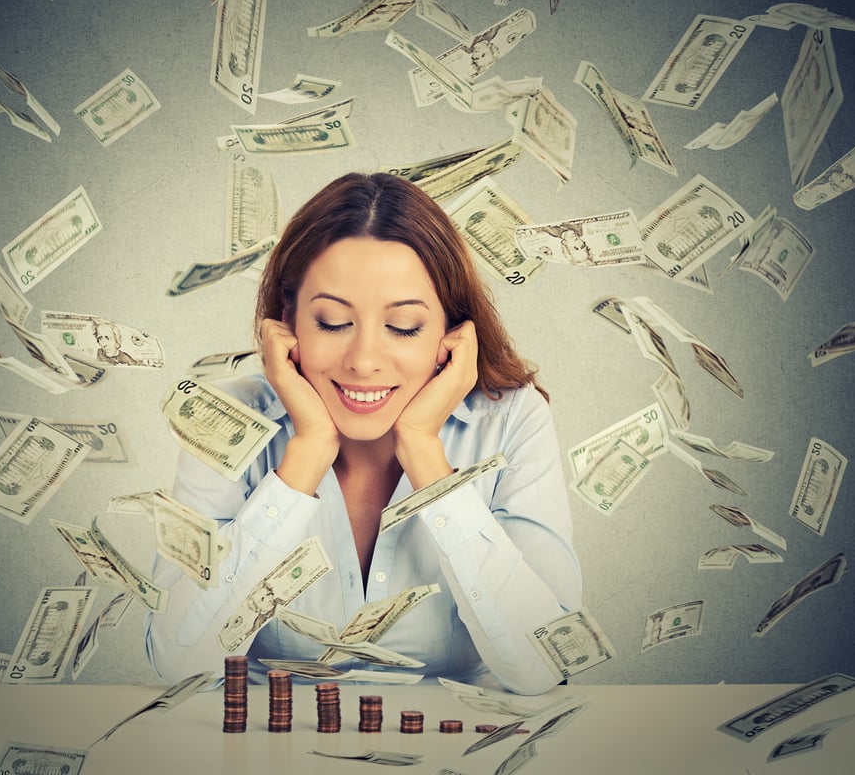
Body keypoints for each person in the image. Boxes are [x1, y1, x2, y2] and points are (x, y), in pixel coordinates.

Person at [146, 172, 582, 694]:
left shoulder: (511, 419)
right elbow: (181, 664)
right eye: (331, 322)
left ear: (451, 333)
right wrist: (304, 455)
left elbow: (544, 666)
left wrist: (424, 450)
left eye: (403, 327)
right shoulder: (230, 417)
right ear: (287, 322)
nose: (364, 361)